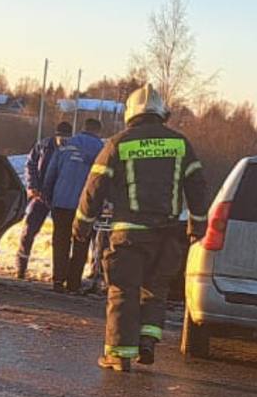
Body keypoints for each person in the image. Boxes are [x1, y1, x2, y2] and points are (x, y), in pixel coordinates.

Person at [75, 84, 207, 371]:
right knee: (155, 289)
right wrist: (198, 224)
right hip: (168, 234)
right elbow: (197, 186)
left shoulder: (118, 143)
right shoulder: (180, 143)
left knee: (123, 289)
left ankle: (119, 354)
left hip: (129, 235)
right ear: (161, 113)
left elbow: (95, 187)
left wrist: (82, 224)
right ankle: (147, 341)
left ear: (131, 113)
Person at [42, 117, 103, 293]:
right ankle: (73, 283)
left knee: (60, 241)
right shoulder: (101, 149)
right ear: (98, 131)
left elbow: (51, 172)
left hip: (61, 202)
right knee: (81, 242)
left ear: (83, 128)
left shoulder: (66, 145)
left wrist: (48, 195)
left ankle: (58, 280)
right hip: (86, 206)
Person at [15, 122, 69, 278]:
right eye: (61, 138)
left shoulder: (72, 151)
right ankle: (21, 265)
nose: (63, 142)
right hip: (40, 195)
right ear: (56, 135)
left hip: (60, 198)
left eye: (66, 139)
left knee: (61, 237)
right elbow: (30, 164)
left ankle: (59, 274)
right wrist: (33, 186)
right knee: (29, 230)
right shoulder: (43, 146)